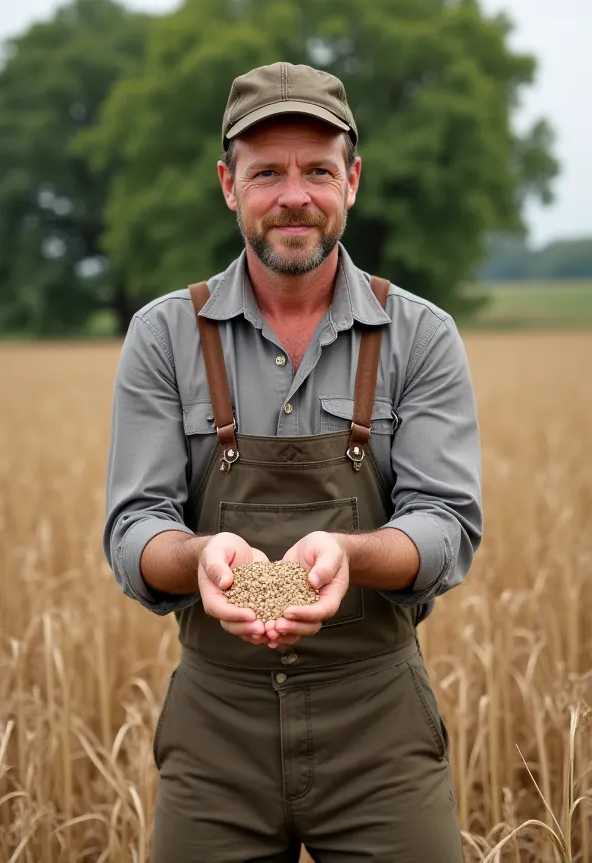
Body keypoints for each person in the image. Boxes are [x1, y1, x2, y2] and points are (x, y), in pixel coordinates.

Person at [104, 61, 482, 863]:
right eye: (266, 171)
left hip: (377, 720)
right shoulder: (164, 336)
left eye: (317, 170)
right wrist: (202, 556)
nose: (294, 196)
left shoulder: (420, 335)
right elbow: (135, 529)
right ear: (228, 185)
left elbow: (446, 526)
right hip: (217, 725)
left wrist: (350, 555)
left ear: (352, 179)